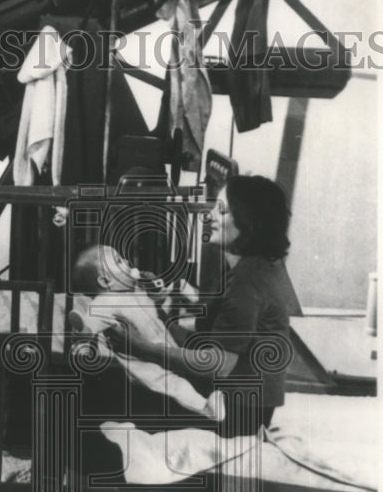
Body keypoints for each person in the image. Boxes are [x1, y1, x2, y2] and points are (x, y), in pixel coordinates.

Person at [108, 175, 295, 438]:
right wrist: (158, 312)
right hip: (245, 403)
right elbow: (211, 329)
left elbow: (216, 364)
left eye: (224, 210)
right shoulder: (257, 266)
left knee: (109, 399)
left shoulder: (247, 278)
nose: (211, 215)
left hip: (235, 412)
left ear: (250, 222)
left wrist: (142, 347)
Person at [69, 243, 225, 423]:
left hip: (162, 342)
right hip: (142, 360)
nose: (127, 262)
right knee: (173, 384)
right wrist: (83, 331)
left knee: (182, 370)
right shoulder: (105, 301)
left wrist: (153, 286)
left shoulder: (135, 290)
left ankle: (208, 400)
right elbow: (92, 319)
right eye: (119, 261)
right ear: (106, 281)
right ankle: (205, 407)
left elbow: (157, 299)